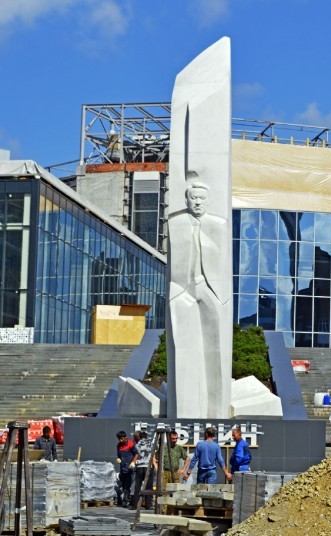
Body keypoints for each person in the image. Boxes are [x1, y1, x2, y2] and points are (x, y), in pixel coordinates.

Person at [167, 181, 231, 418]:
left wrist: (220, 294)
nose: (197, 202)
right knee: (183, 349)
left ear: (209, 201)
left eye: (201, 199)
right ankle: (187, 410)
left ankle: (215, 411)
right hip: (182, 288)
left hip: (210, 287)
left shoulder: (219, 225)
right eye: (193, 198)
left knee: (216, 349)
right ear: (186, 200)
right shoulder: (176, 223)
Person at [115, 431, 138, 508]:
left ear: (125, 437)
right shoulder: (119, 445)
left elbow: (137, 454)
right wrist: (118, 459)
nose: (120, 440)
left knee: (128, 485)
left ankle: (126, 501)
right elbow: (118, 455)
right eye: (119, 439)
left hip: (130, 468)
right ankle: (126, 499)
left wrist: (133, 462)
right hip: (123, 468)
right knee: (124, 484)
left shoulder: (131, 444)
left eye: (121, 438)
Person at [133, 430, 155, 510]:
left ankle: (134, 505)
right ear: (146, 437)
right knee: (149, 486)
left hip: (139, 466)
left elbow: (136, 453)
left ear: (140, 437)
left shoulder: (137, 444)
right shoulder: (150, 444)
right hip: (148, 466)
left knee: (138, 486)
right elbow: (155, 451)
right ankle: (148, 504)